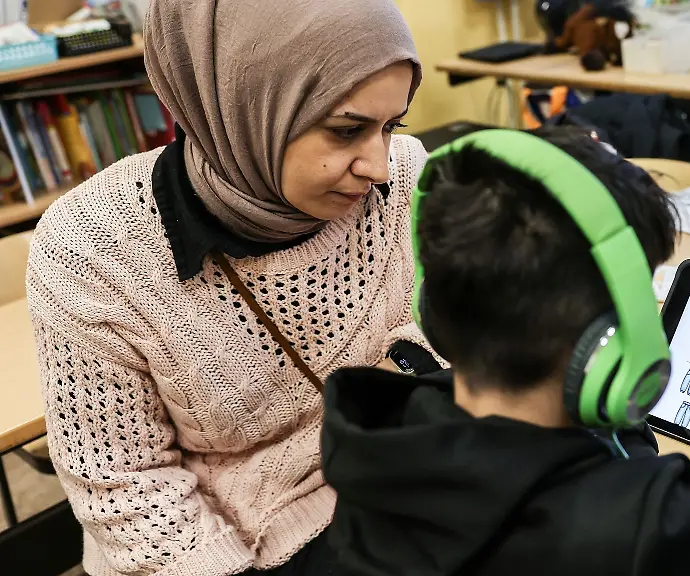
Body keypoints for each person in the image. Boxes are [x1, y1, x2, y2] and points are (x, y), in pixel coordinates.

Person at [320, 128, 690, 575]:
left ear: (434, 309)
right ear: (621, 340)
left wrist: (653, 495)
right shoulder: (626, 531)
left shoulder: (380, 447)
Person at [26, 1, 431, 574]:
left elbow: (461, 325)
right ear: (241, 103)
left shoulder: (407, 175)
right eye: (346, 131)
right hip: (236, 547)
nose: (382, 166)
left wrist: (405, 370)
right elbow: (125, 492)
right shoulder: (92, 247)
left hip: (402, 481)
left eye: (393, 126)